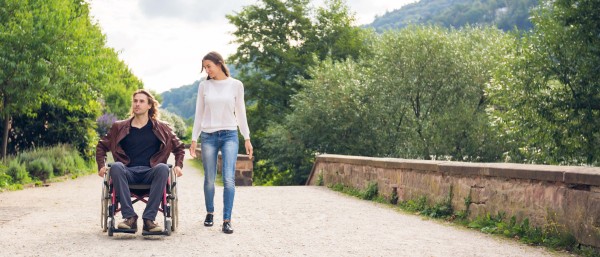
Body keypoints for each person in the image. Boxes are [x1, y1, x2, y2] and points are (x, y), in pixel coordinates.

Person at [96, 89, 185, 234]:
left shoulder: (162, 127)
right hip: (127, 172)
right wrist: (101, 165)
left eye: (141, 101)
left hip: (151, 172)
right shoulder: (119, 127)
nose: (137, 104)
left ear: (150, 105)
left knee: (163, 168)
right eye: (135, 101)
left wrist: (178, 165)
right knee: (116, 166)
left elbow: (179, 147)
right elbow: (101, 145)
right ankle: (130, 218)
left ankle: (149, 220)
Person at [190, 51, 253, 234]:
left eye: (209, 66)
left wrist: (247, 138)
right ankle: (210, 212)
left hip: (230, 135)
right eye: (204, 67)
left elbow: (241, 113)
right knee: (209, 178)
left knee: (228, 178)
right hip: (208, 136)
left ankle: (227, 219)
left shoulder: (236, 85)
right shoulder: (204, 86)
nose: (207, 70)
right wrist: (194, 138)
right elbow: (199, 113)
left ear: (219, 64)